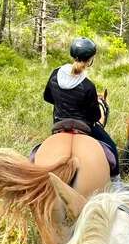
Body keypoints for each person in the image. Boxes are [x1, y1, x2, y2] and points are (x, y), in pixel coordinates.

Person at [43, 37, 119, 176]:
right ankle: (117, 181)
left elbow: (47, 97)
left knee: (36, 153)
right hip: (83, 126)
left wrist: (62, 103)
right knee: (112, 147)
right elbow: (95, 116)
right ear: (90, 60)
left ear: (72, 55)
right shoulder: (88, 85)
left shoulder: (55, 74)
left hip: (59, 122)